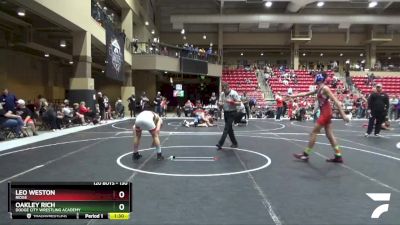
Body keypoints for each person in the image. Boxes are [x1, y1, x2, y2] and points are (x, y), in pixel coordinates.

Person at [291, 73, 349, 163]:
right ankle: (338, 155)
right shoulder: (319, 89)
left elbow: (336, 101)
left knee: (313, 132)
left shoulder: (325, 88)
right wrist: (292, 96)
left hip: (326, 113)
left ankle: (306, 154)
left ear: (318, 79)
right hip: (326, 112)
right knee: (330, 136)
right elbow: (306, 93)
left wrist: (343, 115)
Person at [216, 82, 240, 150]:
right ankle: (235, 143)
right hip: (226, 112)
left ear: (228, 87)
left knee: (226, 128)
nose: (223, 90)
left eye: (224, 89)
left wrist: (232, 102)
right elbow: (221, 103)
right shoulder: (222, 94)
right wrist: (219, 105)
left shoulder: (234, 93)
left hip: (232, 112)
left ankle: (220, 144)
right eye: (222, 89)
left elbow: (239, 103)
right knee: (229, 130)